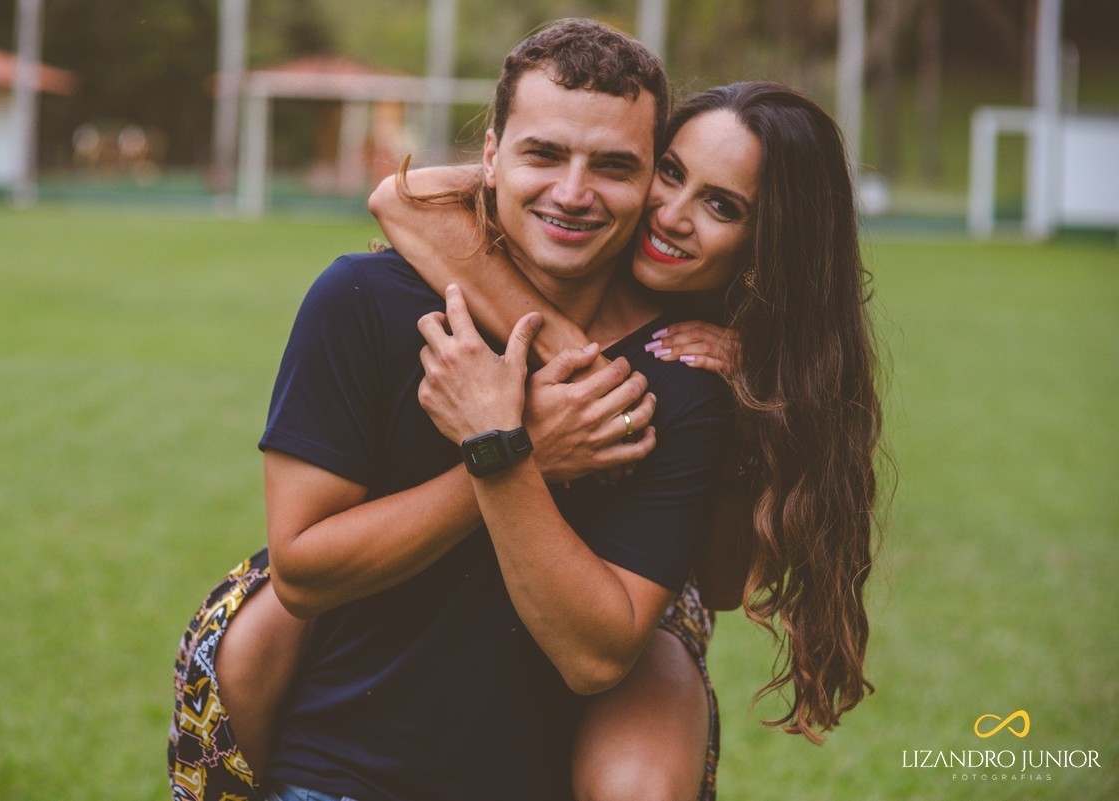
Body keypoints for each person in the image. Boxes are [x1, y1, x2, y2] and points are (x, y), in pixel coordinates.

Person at [168, 19, 737, 801]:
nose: (573, 193)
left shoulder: (668, 377)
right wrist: (512, 450)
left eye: (613, 166)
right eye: (543, 154)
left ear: (649, 185)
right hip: (338, 777)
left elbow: (600, 653)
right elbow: (301, 570)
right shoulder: (360, 300)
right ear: (491, 153)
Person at [367, 80, 885, 798]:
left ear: (768, 243)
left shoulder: (723, 359)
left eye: (722, 205)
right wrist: (584, 359)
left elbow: (725, 584)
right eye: (669, 173)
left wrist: (749, 410)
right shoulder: (579, 215)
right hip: (448, 555)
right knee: (250, 647)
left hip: (636, 593)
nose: (670, 215)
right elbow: (401, 197)